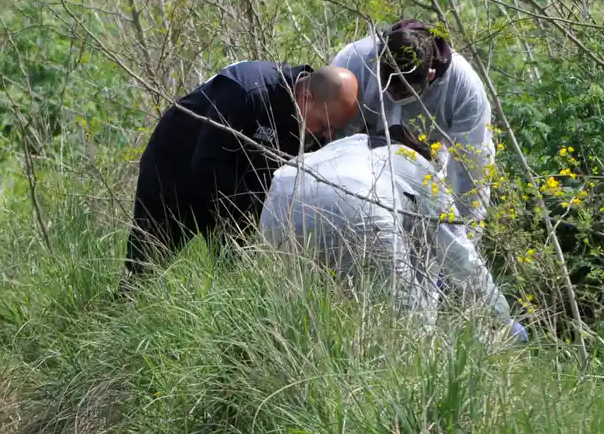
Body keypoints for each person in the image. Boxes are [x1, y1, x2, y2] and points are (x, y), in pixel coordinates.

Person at [259, 128, 522, 337]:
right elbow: (457, 251)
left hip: (280, 202)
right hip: (357, 202)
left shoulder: (343, 145)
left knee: (304, 312)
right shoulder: (415, 162)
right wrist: (500, 314)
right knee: (409, 327)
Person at [126, 62, 360, 272]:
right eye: (323, 125)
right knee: (145, 264)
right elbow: (208, 166)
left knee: (239, 274)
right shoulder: (247, 90)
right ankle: (122, 309)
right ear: (306, 98)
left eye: (333, 130)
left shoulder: (317, 118)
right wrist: (256, 210)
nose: (326, 136)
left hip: (237, 184)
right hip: (177, 165)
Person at [332, 20, 494, 223]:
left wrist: (463, 231)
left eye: (404, 93)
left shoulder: (463, 88)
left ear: (430, 75)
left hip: (425, 177)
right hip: (357, 171)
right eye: (388, 88)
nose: (395, 98)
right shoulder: (356, 61)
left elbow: (472, 169)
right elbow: (330, 133)